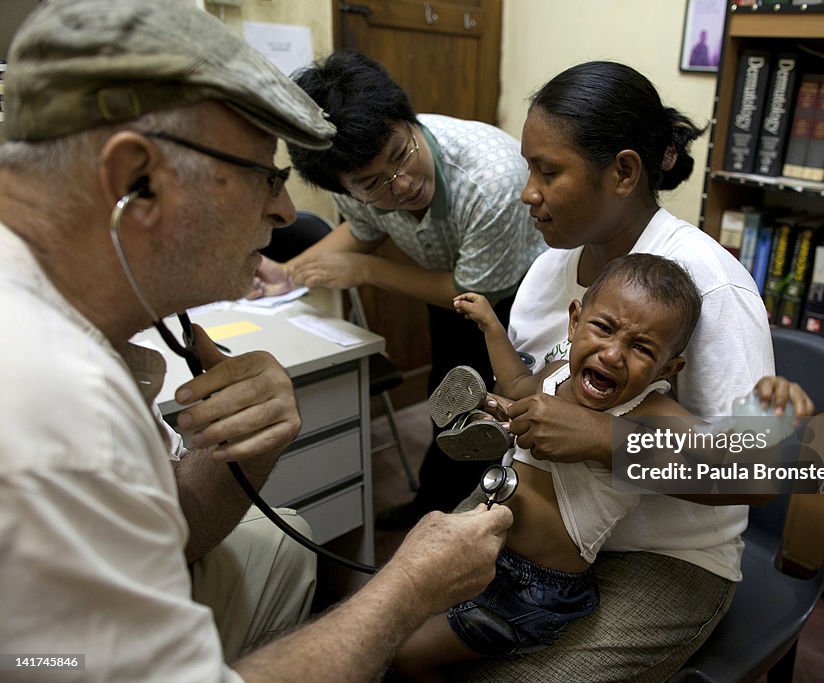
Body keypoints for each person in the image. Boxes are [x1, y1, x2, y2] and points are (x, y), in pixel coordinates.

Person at [0, 2, 511, 682]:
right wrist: (408, 587)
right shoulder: (55, 408)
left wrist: (235, 454)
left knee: (283, 538)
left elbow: (171, 530)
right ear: (135, 180)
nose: (280, 212)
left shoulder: (66, 307)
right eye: (263, 176)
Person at [443, 61, 814, 682]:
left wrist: (603, 440)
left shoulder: (709, 285)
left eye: (548, 170)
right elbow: (540, 393)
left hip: (664, 557)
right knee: (395, 625)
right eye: (529, 168)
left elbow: (759, 472)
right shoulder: (549, 271)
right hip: (543, 526)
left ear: (623, 171)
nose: (527, 192)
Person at [251, 50, 547, 529]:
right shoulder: (356, 178)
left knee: (501, 407)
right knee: (447, 396)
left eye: (401, 154)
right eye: (373, 184)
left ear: (406, 120)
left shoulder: (491, 179)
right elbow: (364, 232)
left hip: (510, 298)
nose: (403, 184)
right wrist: (287, 273)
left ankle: (482, 514)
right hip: (451, 288)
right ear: (346, 187)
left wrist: (365, 273)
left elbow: (474, 292)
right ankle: (437, 508)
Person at [393, 253, 703, 679]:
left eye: (641, 348)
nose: (613, 354)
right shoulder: (560, 374)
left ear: (669, 367)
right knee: (397, 617)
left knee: (407, 655)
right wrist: (492, 330)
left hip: (538, 591)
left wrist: (600, 436)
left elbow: (739, 459)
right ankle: (480, 417)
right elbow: (520, 387)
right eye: (604, 328)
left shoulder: (651, 410)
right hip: (487, 552)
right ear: (574, 322)